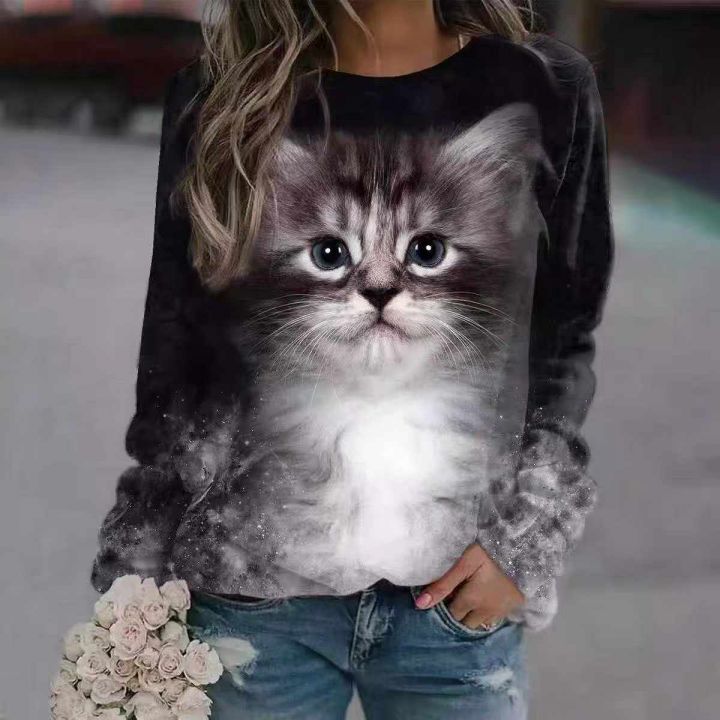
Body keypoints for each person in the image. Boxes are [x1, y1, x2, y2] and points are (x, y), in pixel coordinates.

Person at [91, 1, 614, 717]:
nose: (378, 287)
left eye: (423, 251)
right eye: (335, 253)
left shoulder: (544, 87)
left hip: (452, 615)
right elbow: (175, 363)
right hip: (248, 606)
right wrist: (135, 585)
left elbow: (566, 340)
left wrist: (524, 546)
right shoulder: (220, 97)